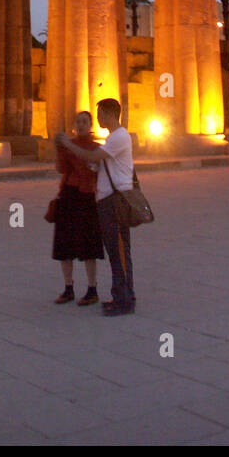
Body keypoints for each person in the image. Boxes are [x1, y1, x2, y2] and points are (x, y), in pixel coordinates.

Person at [55, 98, 135, 316]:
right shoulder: (113, 138)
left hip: (115, 202)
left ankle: (125, 301)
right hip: (108, 201)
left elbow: (92, 155)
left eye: (99, 113)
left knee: (119, 252)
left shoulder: (119, 136)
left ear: (108, 113)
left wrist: (69, 144)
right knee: (115, 252)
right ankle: (120, 294)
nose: (97, 117)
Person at [50, 110, 101, 306]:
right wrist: (60, 150)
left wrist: (69, 147)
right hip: (68, 195)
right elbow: (61, 169)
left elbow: (88, 169)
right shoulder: (68, 145)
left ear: (90, 125)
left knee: (89, 246)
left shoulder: (96, 148)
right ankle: (68, 287)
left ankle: (92, 288)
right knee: (64, 245)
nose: (80, 125)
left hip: (87, 196)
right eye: (78, 121)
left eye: (84, 122)